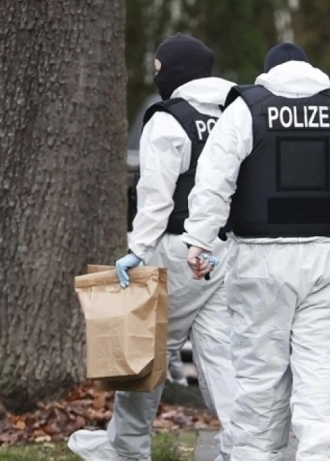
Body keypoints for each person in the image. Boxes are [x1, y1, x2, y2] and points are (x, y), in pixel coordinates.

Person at [180, 42, 330, 461]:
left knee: (259, 379)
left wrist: (199, 239)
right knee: (323, 372)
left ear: (267, 74)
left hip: (260, 258)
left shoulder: (247, 109)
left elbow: (213, 180)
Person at [68, 33, 238, 461]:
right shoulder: (234, 114)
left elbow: (156, 198)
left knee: (145, 349)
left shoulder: (168, 121)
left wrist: (138, 249)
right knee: (222, 356)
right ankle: (246, 447)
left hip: (179, 252)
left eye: (159, 68)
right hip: (226, 250)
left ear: (175, 71)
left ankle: (126, 448)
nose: (156, 75)